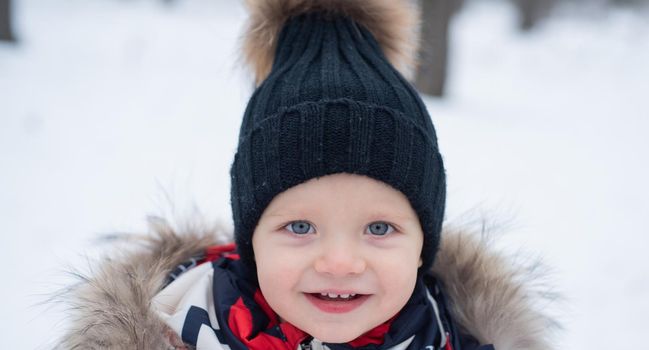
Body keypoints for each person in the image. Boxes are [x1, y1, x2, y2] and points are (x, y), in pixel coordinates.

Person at [56, 1, 557, 349]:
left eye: (379, 228)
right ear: (251, 242)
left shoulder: (458, 337)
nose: (340, 262)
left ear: (423, 246)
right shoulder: (177, 333)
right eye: (300, 227)